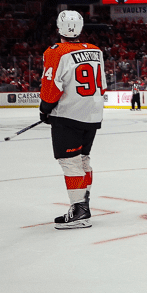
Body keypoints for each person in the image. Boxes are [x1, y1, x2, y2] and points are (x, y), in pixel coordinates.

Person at [39, 11, 106, 229]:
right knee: (83, 159)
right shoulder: (96, 51)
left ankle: (79, 211)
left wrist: (45, 109)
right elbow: (102, 85)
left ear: (59, 28)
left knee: (70, 161)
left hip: (69, 114)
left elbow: (51, 86)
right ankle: (83, 203)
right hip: (93, 113)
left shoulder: (56, 52)